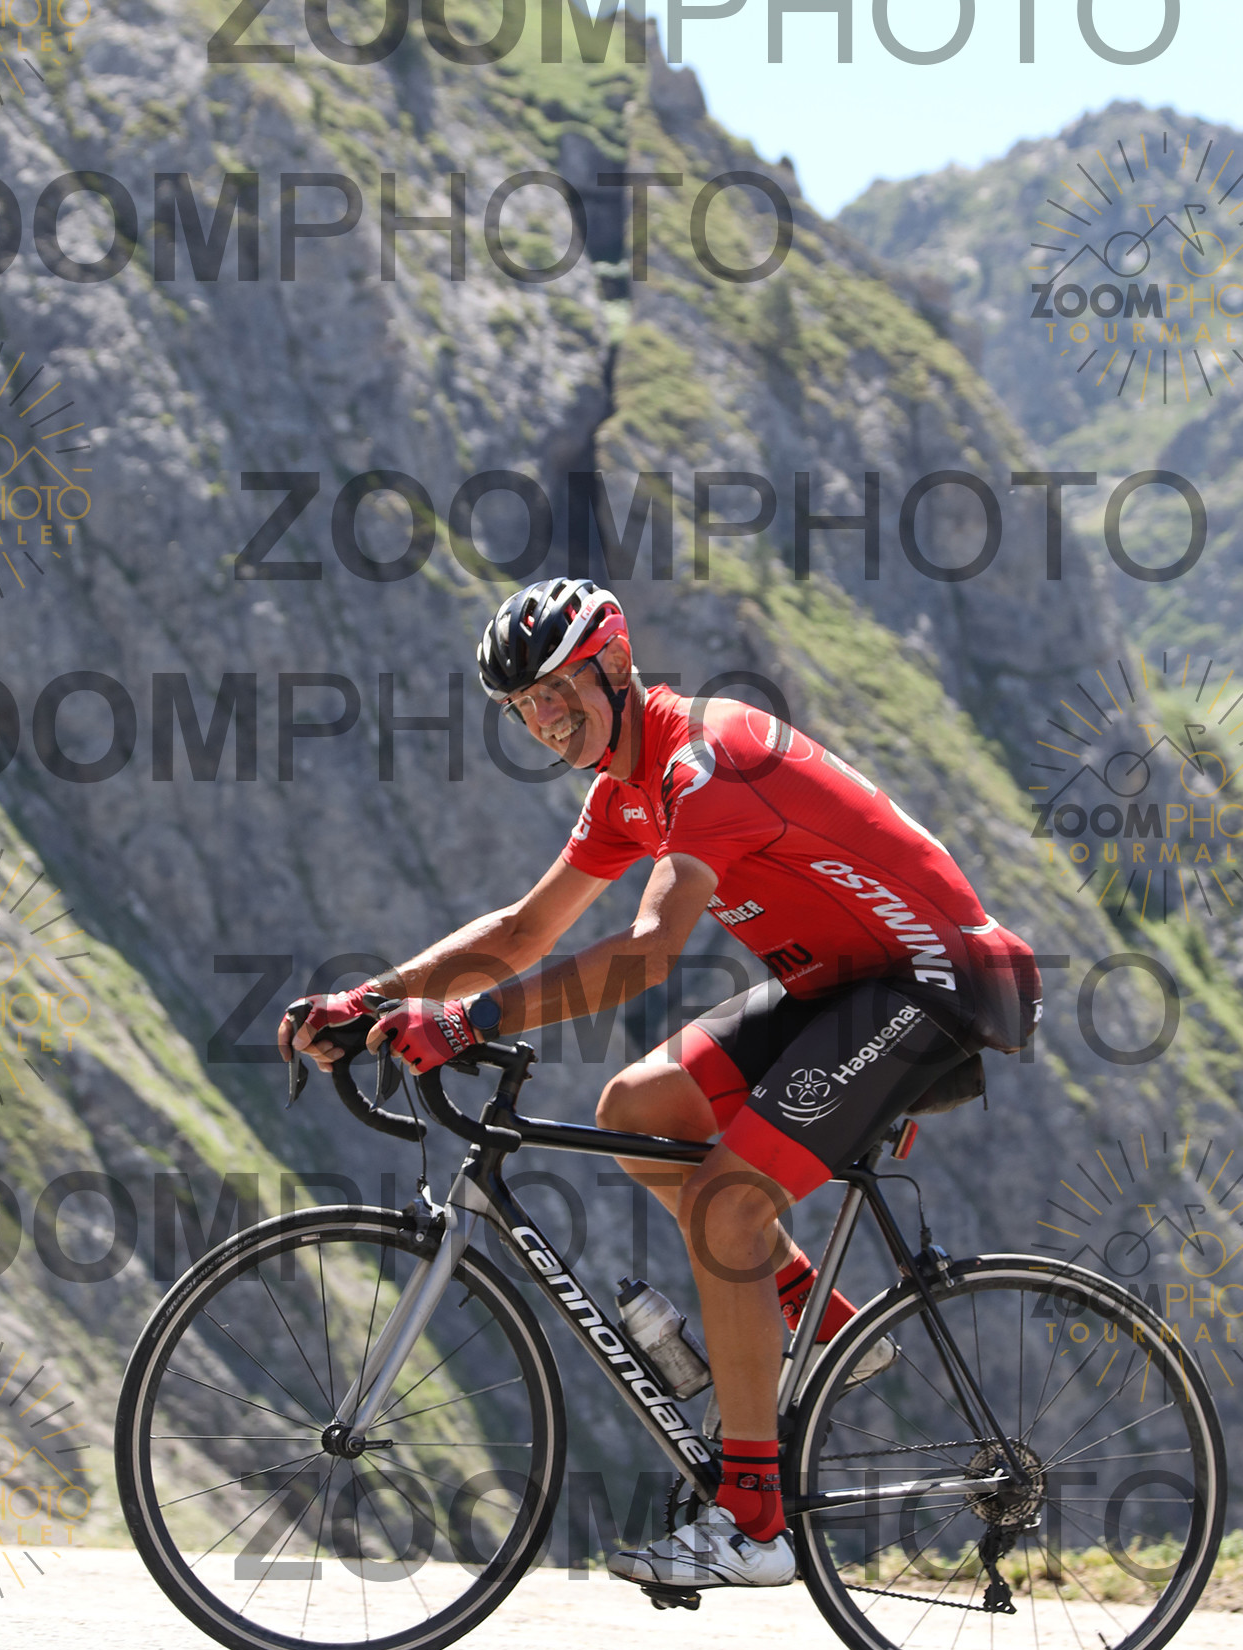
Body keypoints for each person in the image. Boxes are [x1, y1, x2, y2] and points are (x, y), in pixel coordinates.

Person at [281, 578, 1040, 1590]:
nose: (547, 721)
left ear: (614, 664)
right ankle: (822, 1322)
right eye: (526, 708)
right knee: (639, 1108)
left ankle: (755, 1522)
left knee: (728, 1205)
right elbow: (524, 929)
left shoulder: (705, 763)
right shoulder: (625, 791)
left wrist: (465, 1022)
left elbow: (645, 954)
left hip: (937, 982)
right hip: (842, 988)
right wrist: (371, 999)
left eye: (560, 692)